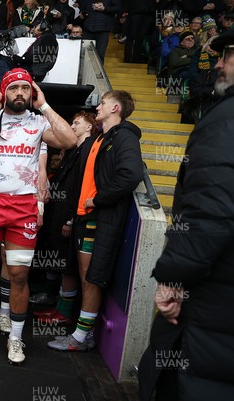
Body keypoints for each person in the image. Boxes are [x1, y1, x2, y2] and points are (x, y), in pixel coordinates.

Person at [0, 68, 77, 364]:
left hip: (23, 208)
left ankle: (16, 339)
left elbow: (70, 141)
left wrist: (44, 104)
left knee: (19, 275)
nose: (19, 93)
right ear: (3, 92)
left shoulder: (38, 122)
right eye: (13, 88)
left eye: (25, 88)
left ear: (31, 92)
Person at [138, 28, 234, 401]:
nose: (220, 64)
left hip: (213, 307)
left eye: (227, 54)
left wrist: (173, 278)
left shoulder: (226, 122)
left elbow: (211, 209)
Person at [47, 90, 144, 352]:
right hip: (84, 219)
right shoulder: (101, 138)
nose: (97, 106)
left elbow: (131, 174)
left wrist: (97, 200)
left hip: (98, 218)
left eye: (102, 103)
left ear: (115, 108)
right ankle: (82, 332)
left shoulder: (123, 137)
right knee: (84, 276)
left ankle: (81, 338)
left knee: (91, 279)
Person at [33, 112, 98, 326]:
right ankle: (59, 309)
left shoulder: (89, 149)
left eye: (77, 123)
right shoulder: (75, 151)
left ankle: (64, 313)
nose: (72, 125)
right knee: (64, 266)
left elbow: (82, 188)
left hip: (73, 220)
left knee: (69, 266)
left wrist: (70, 220)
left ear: (89, 127)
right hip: (61, 216)